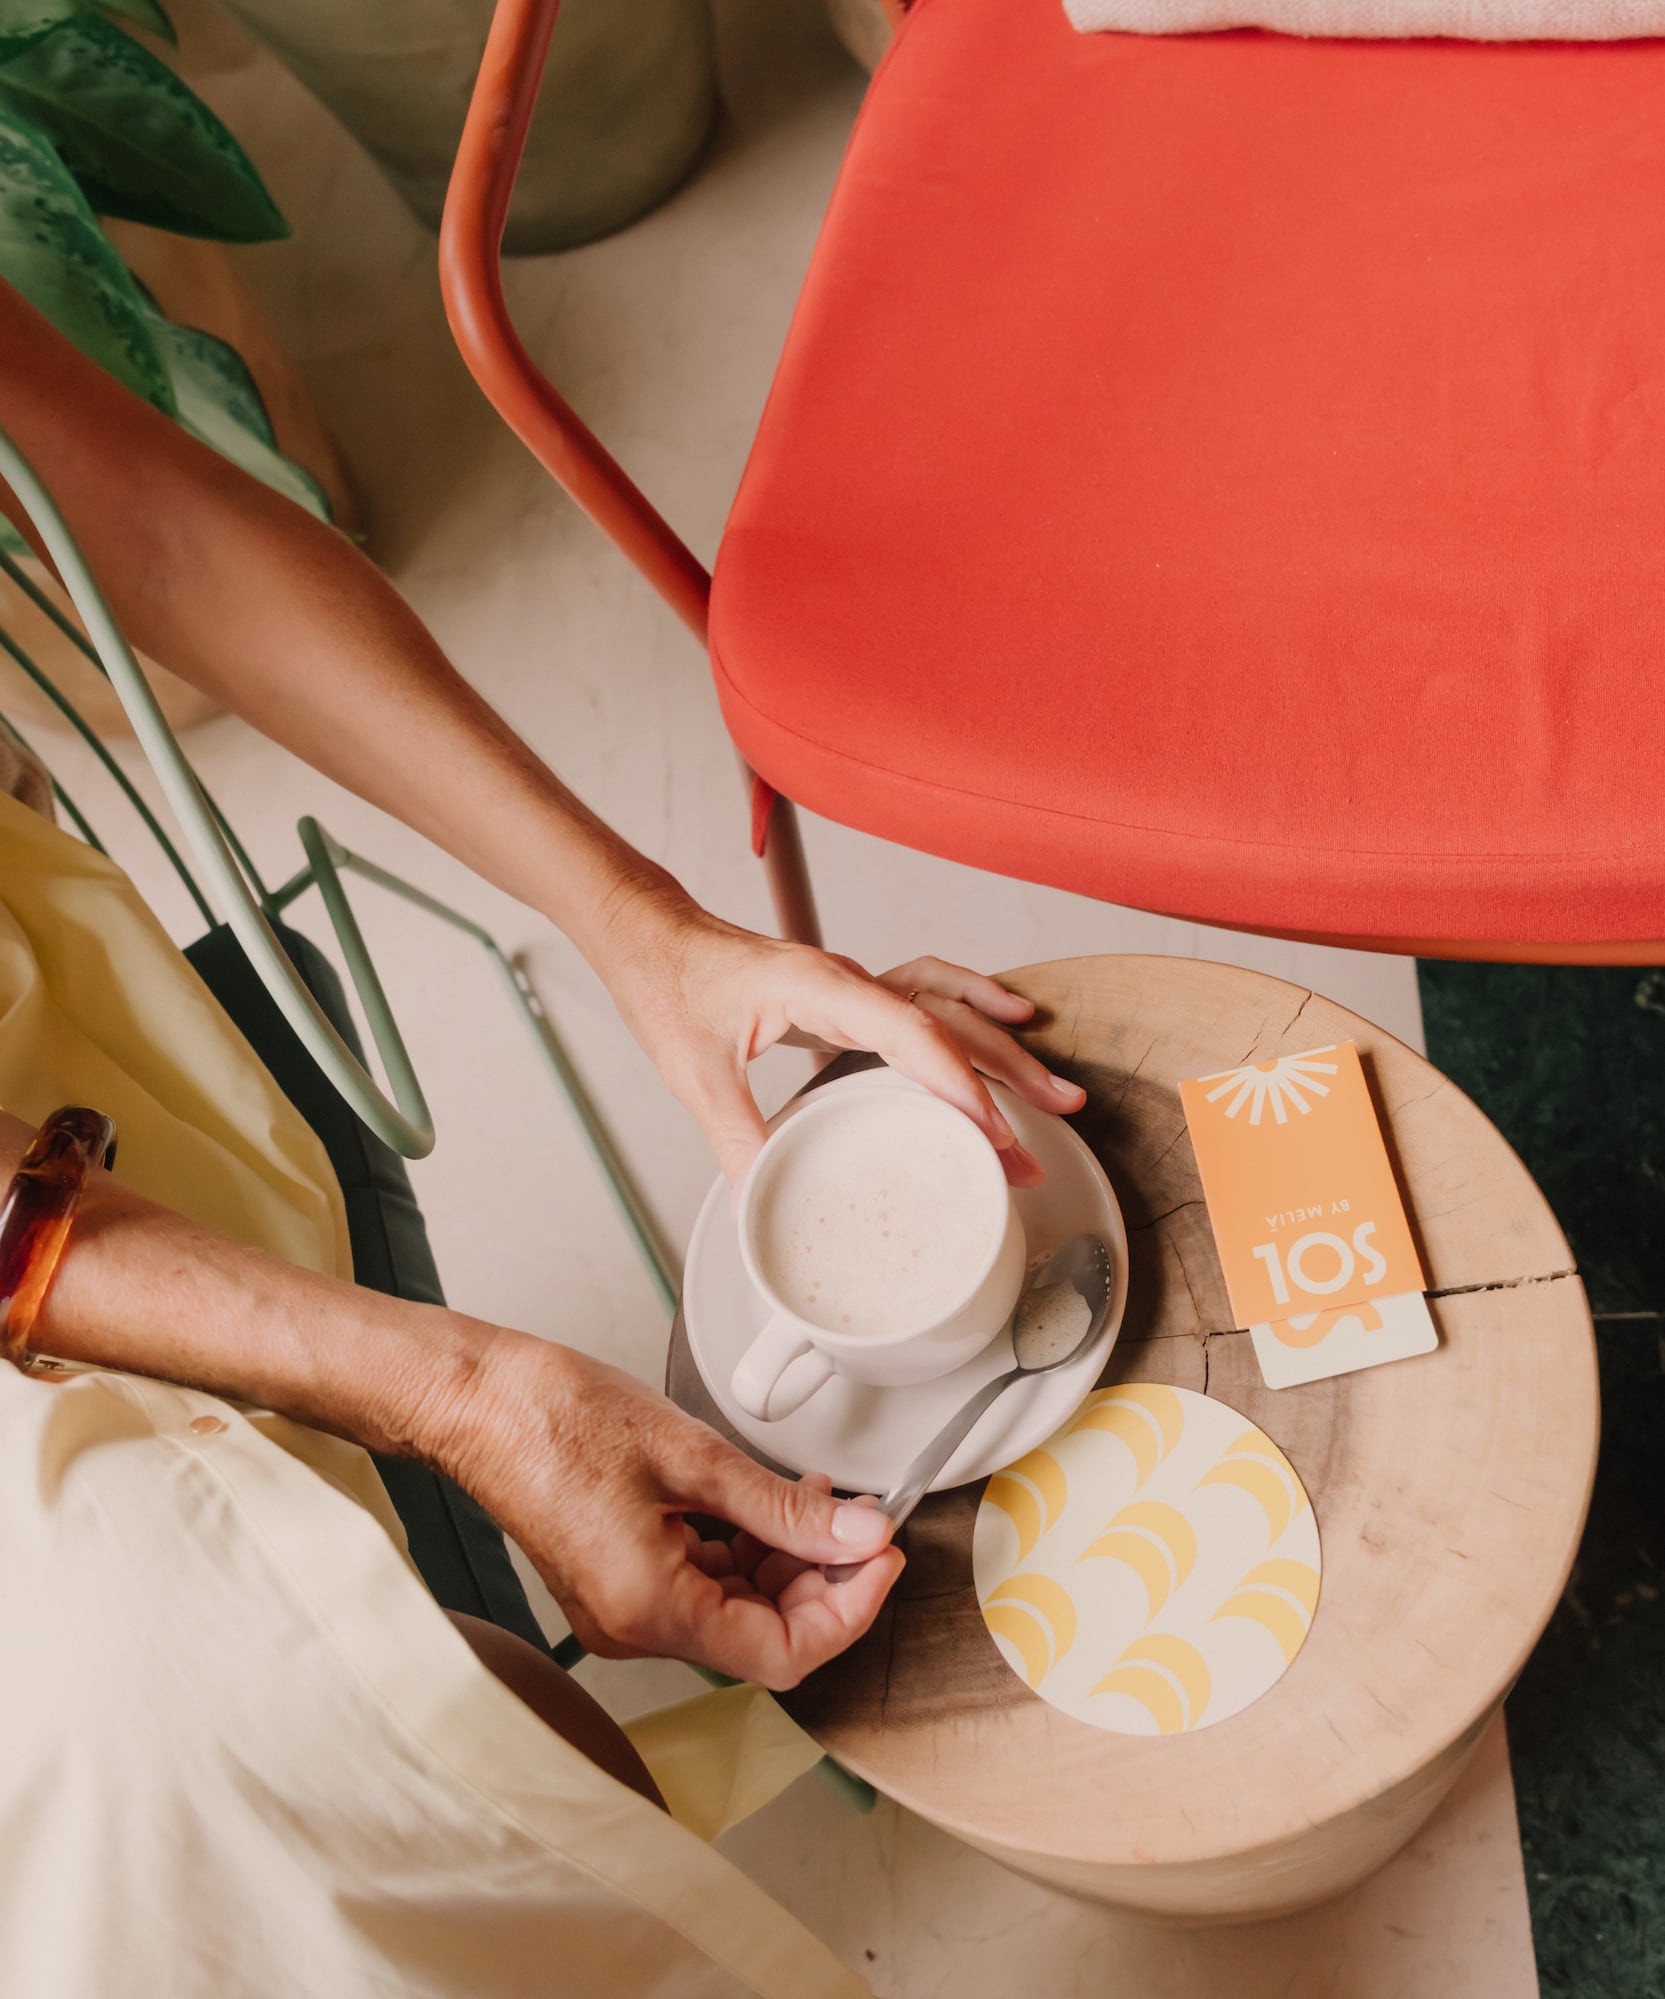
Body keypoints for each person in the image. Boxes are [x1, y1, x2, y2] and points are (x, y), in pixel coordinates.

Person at [0, 279, 1087, 1993]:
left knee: (350, 1731)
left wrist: (636, 921)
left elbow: (158, 532)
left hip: (36, 1124)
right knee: (223, 1737)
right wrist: (461, 1393)